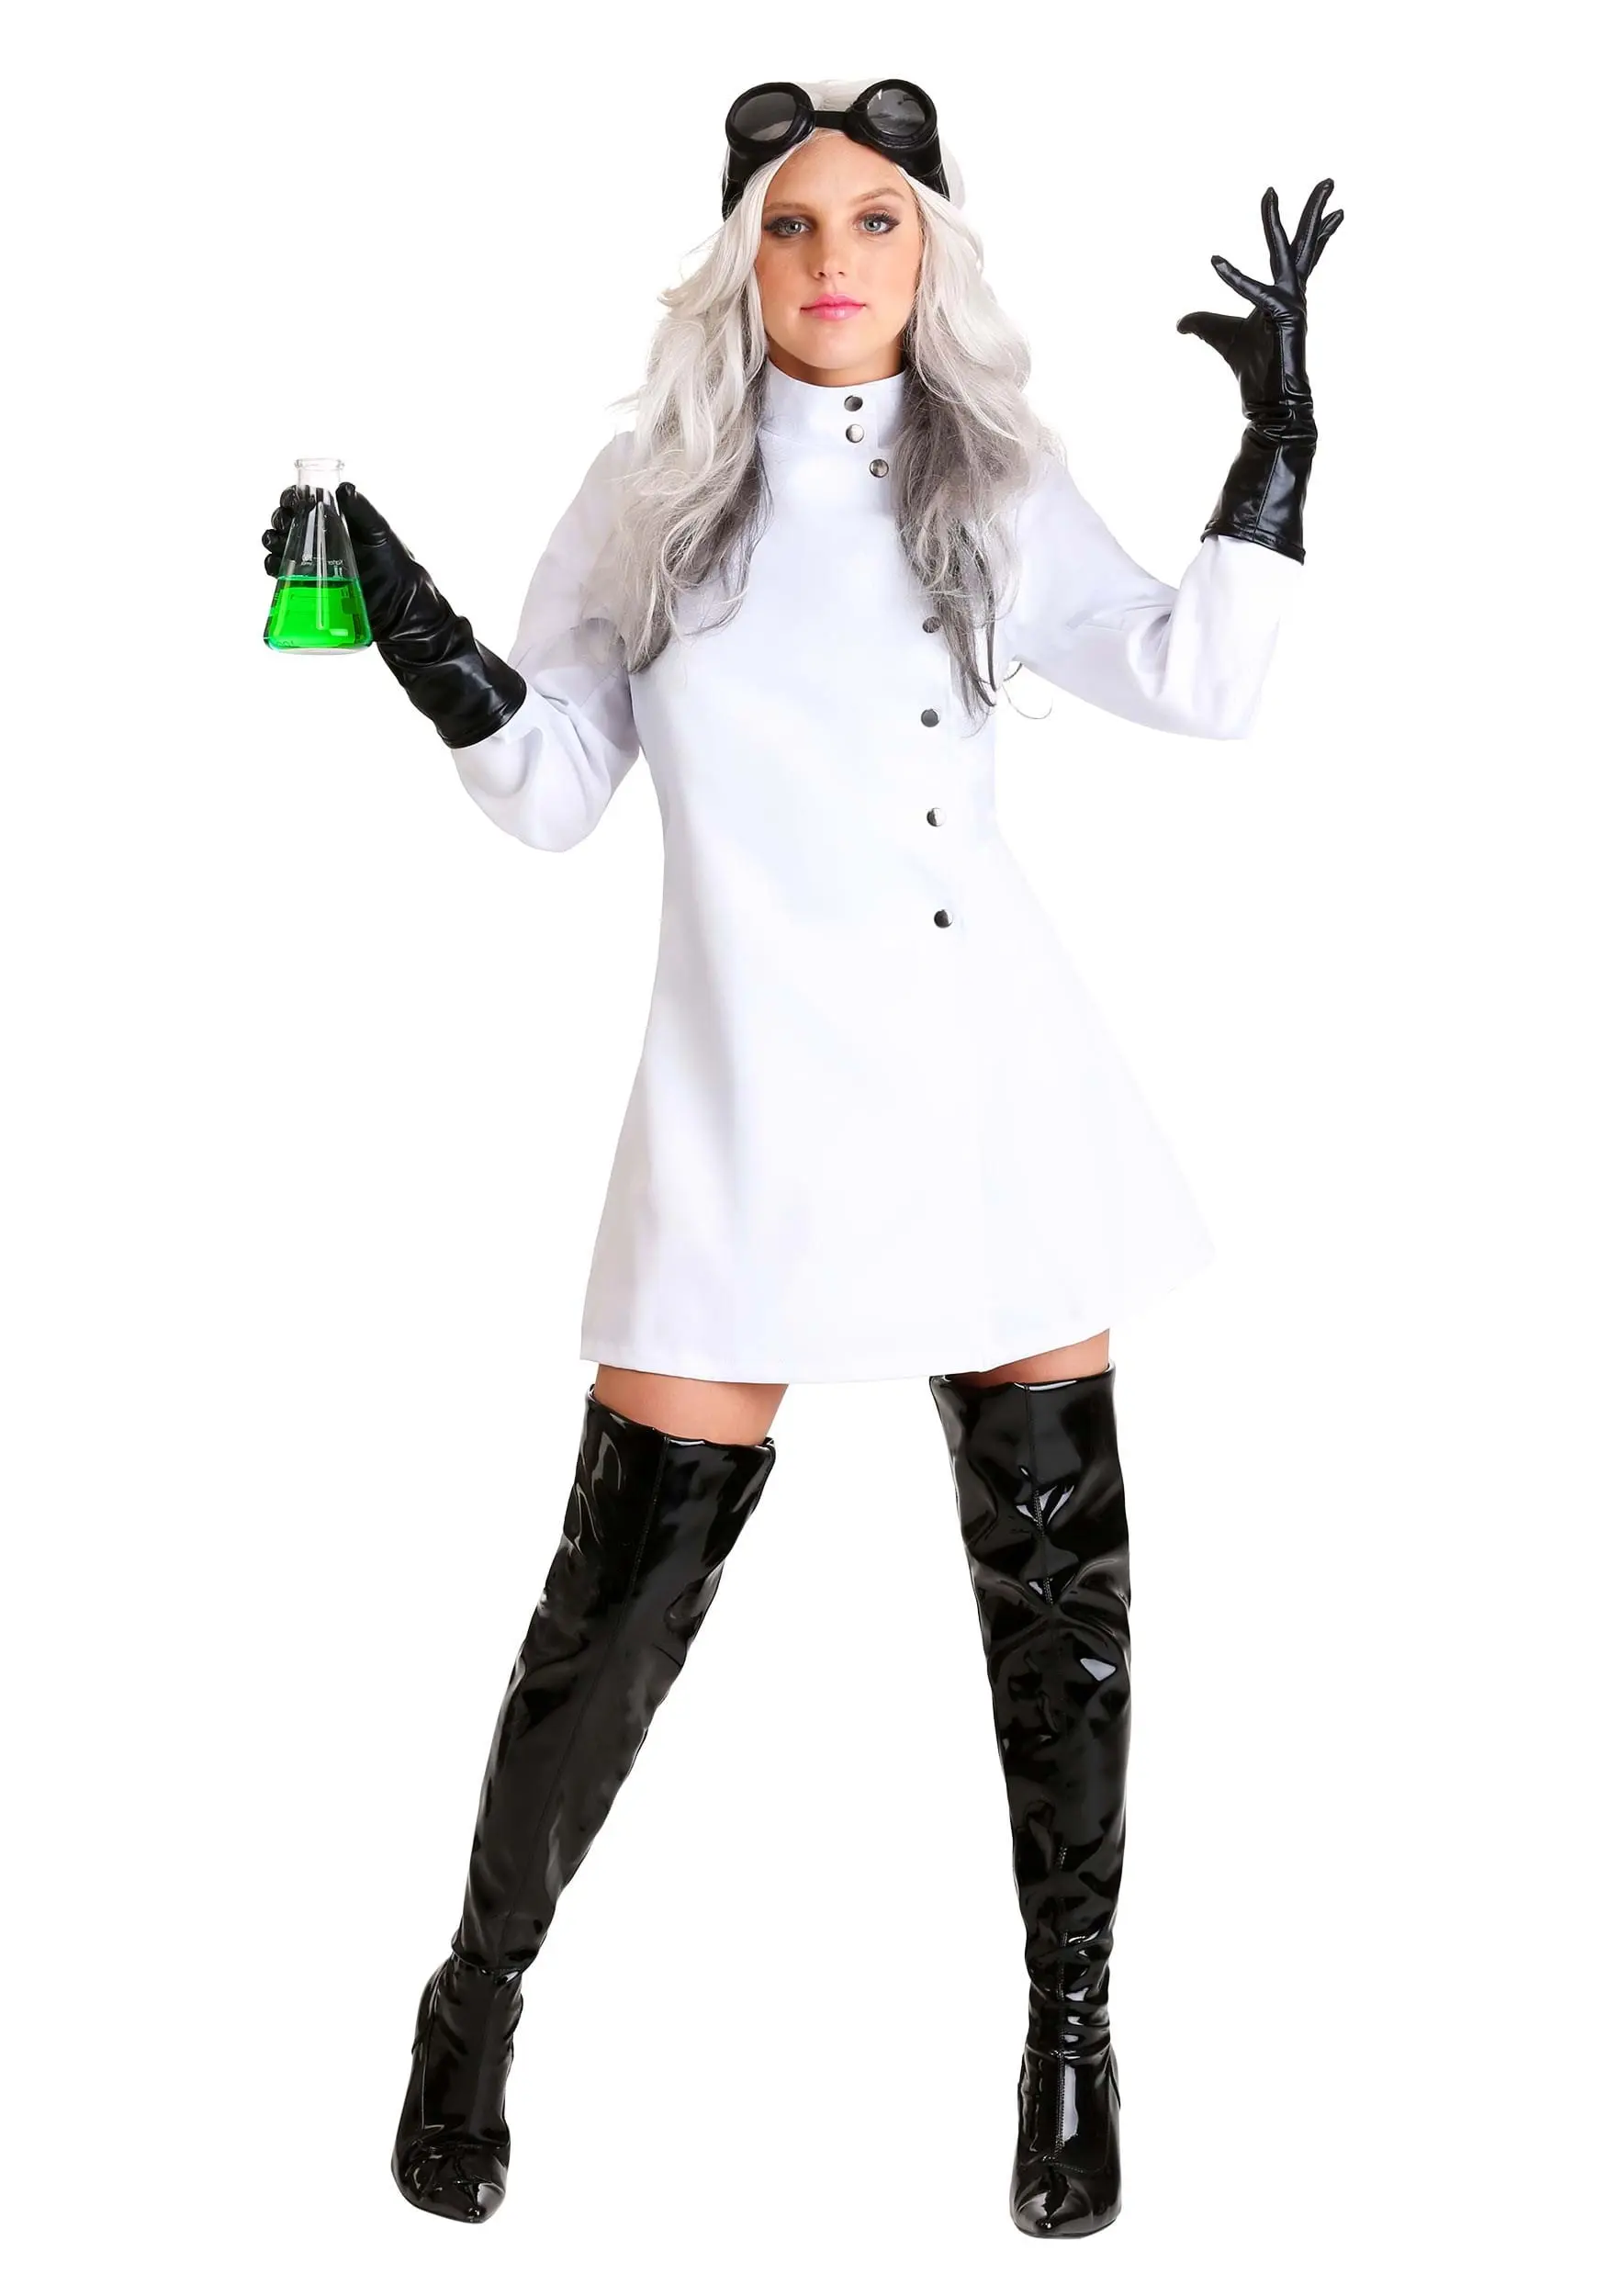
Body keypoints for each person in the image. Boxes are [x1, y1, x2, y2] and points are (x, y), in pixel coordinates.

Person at [260, 75, 1341, 2239]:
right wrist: (413, 625)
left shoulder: (988, 480)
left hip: (986, 1089)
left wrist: (1275, 448)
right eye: (790, 223)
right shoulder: (654, 495)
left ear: (929, 256)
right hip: (745, 1093)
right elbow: (553, 790)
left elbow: (1195, 682)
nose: (832, 259)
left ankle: (1067, 2031)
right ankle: (472, 2001)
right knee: (612, 1597)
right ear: (737, 260)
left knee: (1061, 1609)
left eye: (874, 221)